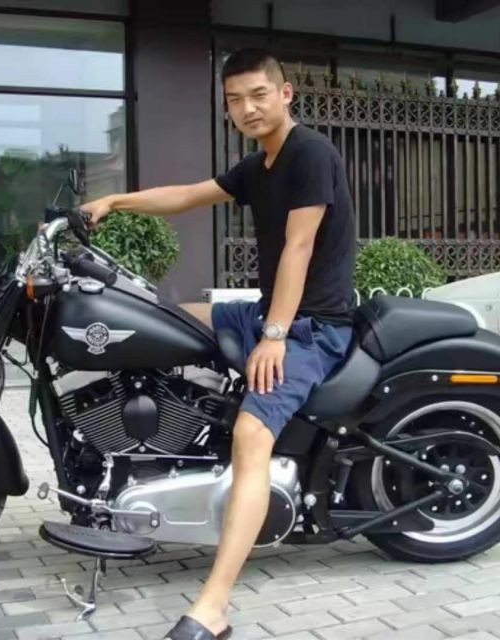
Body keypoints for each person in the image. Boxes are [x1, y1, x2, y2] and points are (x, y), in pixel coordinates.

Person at [81, 48, 356, 640]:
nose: (248, 108)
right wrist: (114, 201)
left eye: (259, 94)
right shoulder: (260, 164)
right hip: (268, 312)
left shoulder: (310, 152)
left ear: (285, 93)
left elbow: (299, 248)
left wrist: (274, 336)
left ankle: (213, 607)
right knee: (168, 320)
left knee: (251, 437)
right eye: (235, 100)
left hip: (312, 327)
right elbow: (186, 194)